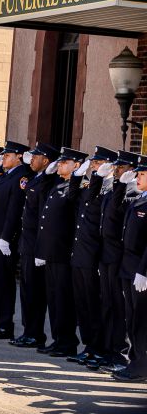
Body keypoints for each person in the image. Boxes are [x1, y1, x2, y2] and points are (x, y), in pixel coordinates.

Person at [34, 147, 88, 357]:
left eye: (65, 162)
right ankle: (57, 339)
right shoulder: (58, 185)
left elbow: (74, 201)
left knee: (64, 300)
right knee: (54, 298)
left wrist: (78, 176)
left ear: (76, 165)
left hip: (64, 252)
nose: (59, 165)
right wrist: (47, 173)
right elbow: (40, 193)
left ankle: (67, 342)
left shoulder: (80, 186)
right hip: (52, 252)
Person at [68, 146, 117, 366]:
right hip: (80, 254)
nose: (94, 167)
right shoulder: (90, 187)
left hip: (93, 257)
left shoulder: (110, 189)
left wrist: (97, 178)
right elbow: (72, 197)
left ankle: (98, 347)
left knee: (94, 305)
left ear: (109, 166)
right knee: (82, 304)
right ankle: (88, 345)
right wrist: (78, 177)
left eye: (98, 164)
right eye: (94, 164)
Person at [11, 142, 59, 349]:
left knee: (35, 293)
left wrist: (41, 248)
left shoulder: (47, 181)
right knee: (27, 290)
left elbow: (43, 218)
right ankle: (28, 331)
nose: (32, 160)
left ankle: (35, 333)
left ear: (46, 161)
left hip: (36, 245)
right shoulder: (35, 178)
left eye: (36, 157)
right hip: (27, 242)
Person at [0, 141, 31, 340]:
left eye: (7, 156)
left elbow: (14, 211)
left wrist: (5, 237)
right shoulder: (5, 176)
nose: (3, 159)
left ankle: (3, 324)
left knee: (3, 283)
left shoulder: (21, 177)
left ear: (18, 156)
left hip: (4, 238)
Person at [97, 150, 140, 373]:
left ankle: (120, 353)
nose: (117, 171)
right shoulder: (114, 189)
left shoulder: (132, 192)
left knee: (119, 308)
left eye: (121, 168)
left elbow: (114, 216)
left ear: (132, 171)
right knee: (108, 305)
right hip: (106, 256)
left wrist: (121, 186)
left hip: (117, 258)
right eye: (116, 167)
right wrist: (102, 179)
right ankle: (107, 350)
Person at [113, 157, 147, 382]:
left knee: (142, 321)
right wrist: (120, 185)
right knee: (132, 318)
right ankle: (134, 361)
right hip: (128, 269)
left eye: (142, 175)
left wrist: (144, 271)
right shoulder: (138, 198)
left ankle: (141, 368)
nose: (137, 177)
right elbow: (115, 210)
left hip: (141, 271)